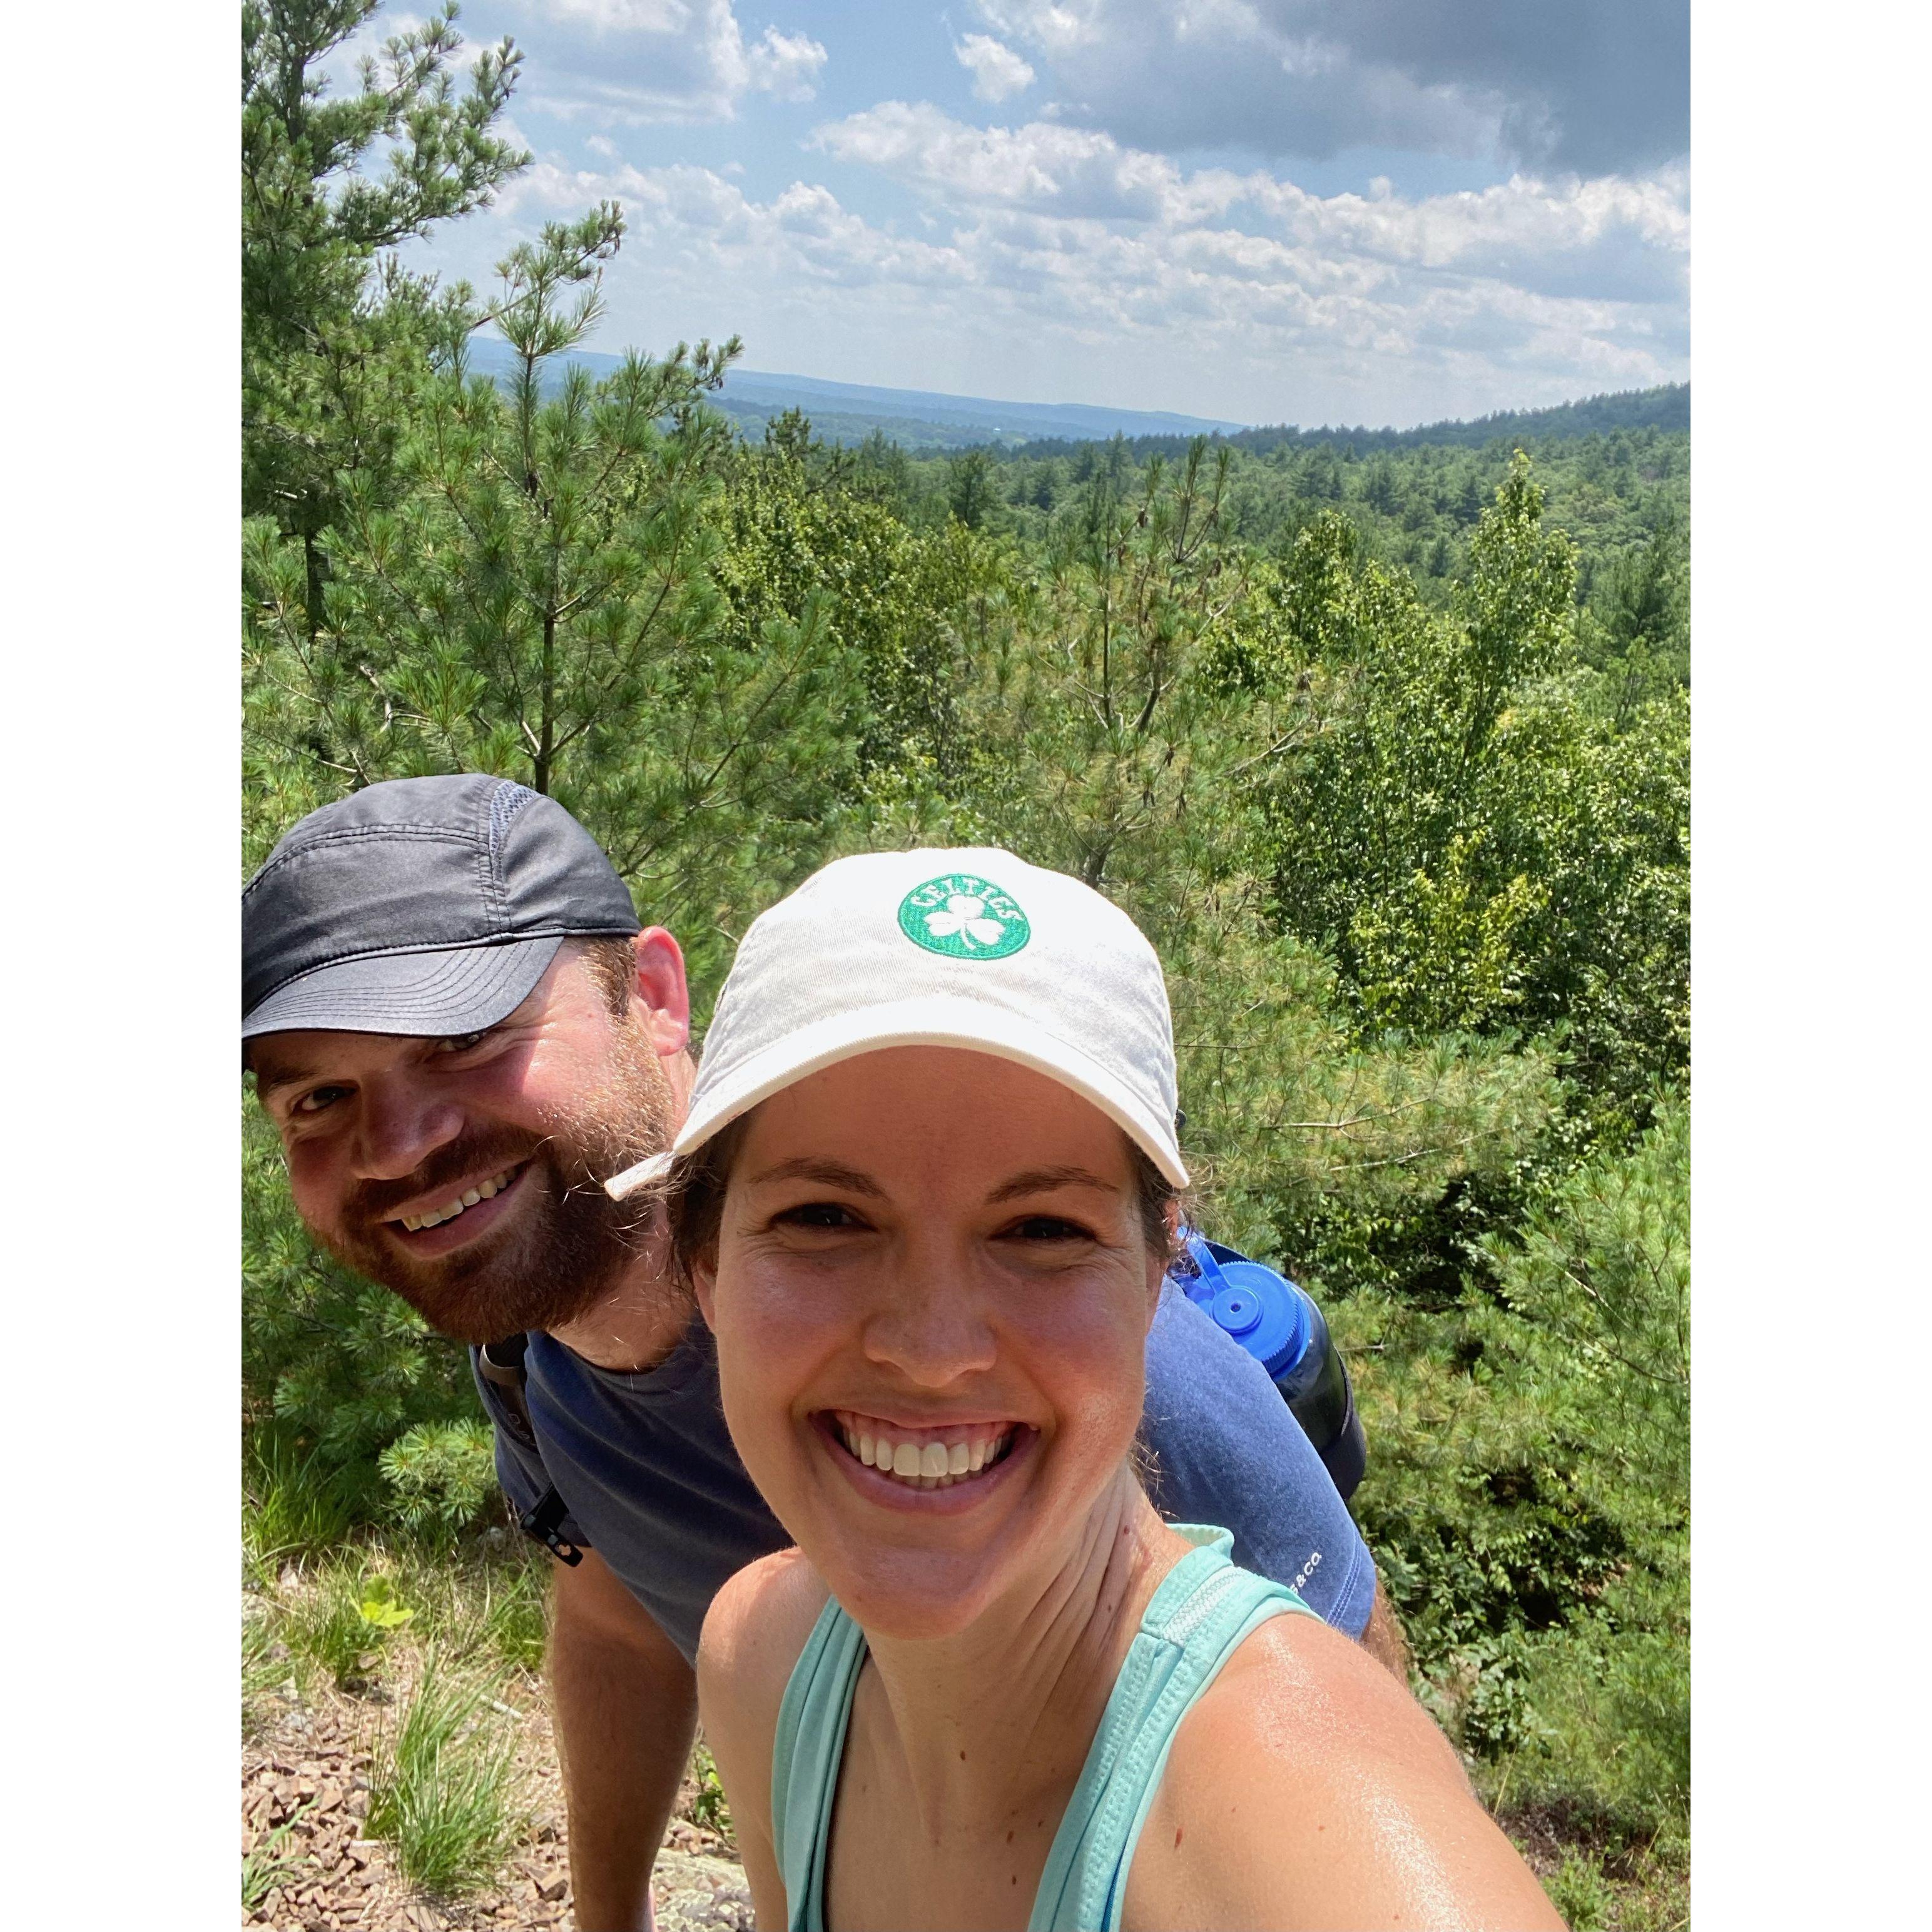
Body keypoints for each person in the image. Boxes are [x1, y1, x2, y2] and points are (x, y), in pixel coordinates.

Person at [242, 776, 1405, 1932]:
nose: (397, 1148)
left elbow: (1343, 1689)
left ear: (653, 998)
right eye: (321, 1098)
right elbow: (613, 1611)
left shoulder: (1103, 1375)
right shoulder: (533, 1354)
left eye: (468, 1041)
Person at [673, 848, 1563, 1929]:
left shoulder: (1309, 1839)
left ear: (1154, 1283)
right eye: (825, 1218)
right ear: (707, 1269)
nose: (934, 1348)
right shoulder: (762, 1668)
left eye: (1043, 1229)